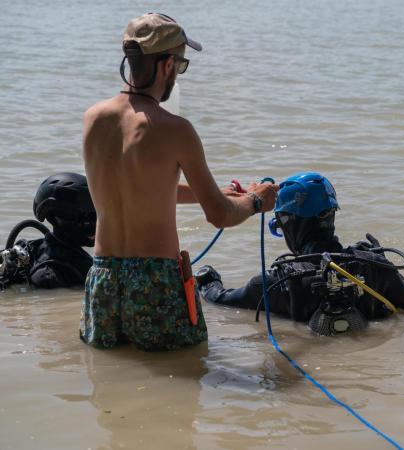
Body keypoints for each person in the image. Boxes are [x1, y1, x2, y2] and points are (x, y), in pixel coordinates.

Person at [80, 13, 278, 351]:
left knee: (114, 384)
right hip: (155, 282)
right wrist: (256, 201)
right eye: (181, 65)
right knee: (182, 379)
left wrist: (210, 194)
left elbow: (136, 188)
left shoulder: (94, 119)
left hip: (102, 279)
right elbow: (219, 215)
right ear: (166, 65)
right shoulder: (175, 130)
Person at [196, 172, 404, 336]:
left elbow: (219, 300)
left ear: (287, 224)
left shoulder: (273, 284)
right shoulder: (375, 266)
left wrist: (208, 279)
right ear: (331, 215)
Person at [0, 172, 95, 289]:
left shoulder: (36, 248)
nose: (95, 224)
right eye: (87, 218)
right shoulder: (52, 275)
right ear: (56, 218)